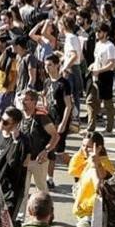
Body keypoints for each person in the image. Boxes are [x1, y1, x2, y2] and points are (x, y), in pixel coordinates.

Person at [68, 132, 115, 227]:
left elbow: (104, 178)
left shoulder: (103, 163)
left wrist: (97, 164)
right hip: (85, 216)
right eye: (82, 145)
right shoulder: (89, 160)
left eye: (88, 146)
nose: (85, 149)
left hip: (91, 218)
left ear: (99, 148)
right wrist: (82, 151)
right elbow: (73, 170)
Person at [0, 106, 31, 224]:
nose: (1, 124)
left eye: (5, 122)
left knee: (6, 224)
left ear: (15, 124)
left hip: (12, 190)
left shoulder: (24, 141)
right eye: (1, 120)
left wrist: (15, 141)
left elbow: (16, 163)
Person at [42, 54, 75, 188]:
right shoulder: (47, 82)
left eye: (50, 65)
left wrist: (63, 123)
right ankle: (49, 179)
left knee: (59, 152)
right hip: (49, 120)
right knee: (50, 150)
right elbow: (45, 98)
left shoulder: (64, 83)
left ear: (57, 65)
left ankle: (78, 168)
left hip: (60, 120)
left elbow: (69, 105)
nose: (47, 67)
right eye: (45, 65)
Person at [87, 24, 115, 133]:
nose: (97, 34)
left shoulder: (110, 46)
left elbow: (112, 64)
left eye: (99, 32)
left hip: (105, 76)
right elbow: (97, 59)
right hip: (95, 75)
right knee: (90, 101)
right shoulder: (98, 44)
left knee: (107, 103)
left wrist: (99, 70)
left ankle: (109, 127)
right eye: (96, 32)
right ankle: (91, 126)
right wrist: (93, 65)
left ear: (105, 33)